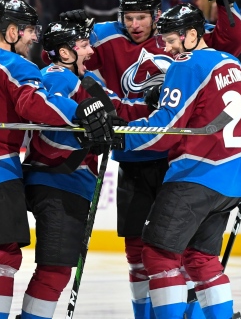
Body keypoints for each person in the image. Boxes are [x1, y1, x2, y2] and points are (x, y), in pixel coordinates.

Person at [60, 0, 241, 318]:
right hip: (139, 155)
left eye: (142, 17)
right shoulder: (108, 34)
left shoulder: (181, 34)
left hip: (175, 156)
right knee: (140, 250)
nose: (135, 24)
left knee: (176, 250)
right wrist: (67, 34)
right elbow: (70, 57)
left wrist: (224, 2)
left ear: (157, 14)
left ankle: (188, 312)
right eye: (128, 17)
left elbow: (233, 37)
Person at [0, 0, 114, 319]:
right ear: (12, 31)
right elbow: (36, 107)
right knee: (1, 259)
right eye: (29, 30)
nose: (34, 37)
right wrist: (81, 112)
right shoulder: (20, 67)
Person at [115, 3, 241, 319]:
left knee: (157, 254)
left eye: (170, 40)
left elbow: (167, 128)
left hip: (197, 173)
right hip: (234, 180)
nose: (167, 48)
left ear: (192, 35)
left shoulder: (189, 63)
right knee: (201, 257)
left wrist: (120, 135)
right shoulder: (231, 64)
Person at [19, 18, 149, 319]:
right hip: (56, 182)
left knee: (59, 270)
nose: (91, 51)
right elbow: (49, 130)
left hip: (72, 185)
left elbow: (121, 110)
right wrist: (85, 132)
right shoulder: (56, 75)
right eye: (84, 45)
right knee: (55, 270)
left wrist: (155, 102)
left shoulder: (89, 80)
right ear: (66, 54)